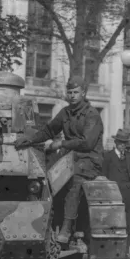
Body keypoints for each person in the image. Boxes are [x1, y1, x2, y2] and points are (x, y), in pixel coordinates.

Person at [14, 77, 104, 244]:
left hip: (89, 159)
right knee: (44, 175)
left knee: (74, 179)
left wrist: (61, 143)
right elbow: (49, 130)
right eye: (69, 92)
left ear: (83, 93)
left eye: (75, 92)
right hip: (70, 158)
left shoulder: (92, 115)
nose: (72, 96)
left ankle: (67, 227)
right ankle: (44, 221)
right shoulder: (65, 113)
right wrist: (31, 140)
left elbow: (87, 143)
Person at [102, 130, 130, 259]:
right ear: (116, 142)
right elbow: (103, 176)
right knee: (113, 223)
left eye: (125, 143)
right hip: (113, 195)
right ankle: (112, 253)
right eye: (120, 143)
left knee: (127, 224)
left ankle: (126, 253)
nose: (123, 145)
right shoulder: (108, 157)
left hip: (128, 194)